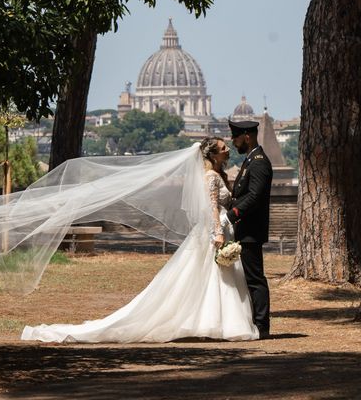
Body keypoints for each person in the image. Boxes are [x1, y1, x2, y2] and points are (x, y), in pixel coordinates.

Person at [19, 138, 259, 343]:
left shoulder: (217, 174)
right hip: (214, 230)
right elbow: (211, 208)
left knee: (214, 277)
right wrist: (217, 231)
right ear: (214, 154)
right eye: (223, 147)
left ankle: (213, 321)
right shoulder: (210, 177)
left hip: (220, 230)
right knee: (208, 276)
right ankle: (214, 322)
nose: (227, 148)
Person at [227, 120, 273, 339]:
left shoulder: (259, 162)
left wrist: (233, 213)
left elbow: (254, 195)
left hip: (250, 230)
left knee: (255, 279)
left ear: (247, 136)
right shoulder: (249, 161)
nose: (233, 142)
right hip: (244, 228)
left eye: (236, 138)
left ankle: (262, 325)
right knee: (248, 278)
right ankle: (254, 320)